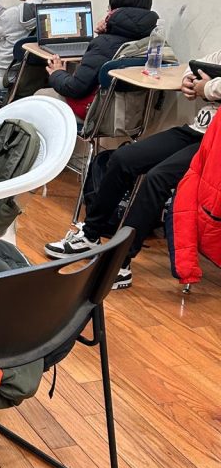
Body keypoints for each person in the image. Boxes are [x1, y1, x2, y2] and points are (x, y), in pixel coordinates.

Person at [45, 50, 221, 289]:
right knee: (123, 159)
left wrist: (207, 88)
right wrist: (189, 81)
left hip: (216, 145)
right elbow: (198, 64)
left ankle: (120, 263)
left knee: (157, 178)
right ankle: (90, 235)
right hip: (199, 130)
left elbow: (211, 85)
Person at [41, 0, 158, 111]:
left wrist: (57, 73)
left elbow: (75, 88)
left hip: (97, 112)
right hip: (136, 113)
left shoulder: (104, 44)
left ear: (113, 12)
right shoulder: (154, 43)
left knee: (40, 94)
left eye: (109, 9)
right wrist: (107, 33)